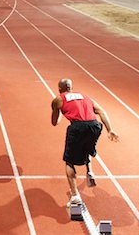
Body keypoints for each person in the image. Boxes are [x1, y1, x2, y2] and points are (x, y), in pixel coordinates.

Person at [51, 78, 118, 206]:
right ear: (71, 87)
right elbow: (101, 111)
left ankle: (75, 195)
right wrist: (110, 130)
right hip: (95, 126)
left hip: (77, 127)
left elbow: (54, 122)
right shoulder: (85, 96)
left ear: (60, 89)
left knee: (69, 161)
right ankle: (89, 172)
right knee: (87, 148)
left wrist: (58, 111)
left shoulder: (58, 99)